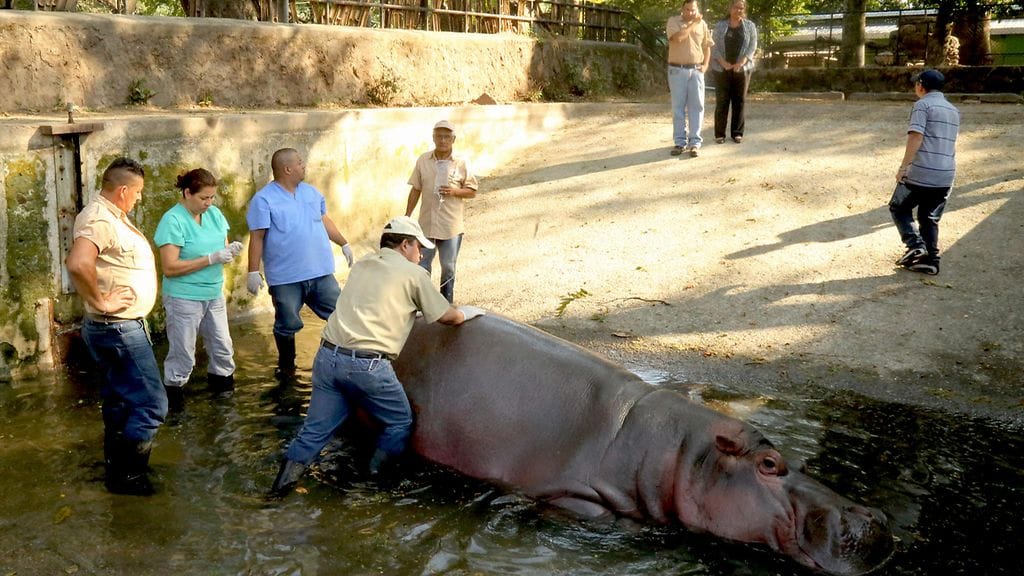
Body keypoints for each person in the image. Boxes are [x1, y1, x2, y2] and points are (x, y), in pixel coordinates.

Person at [270, 216, 484, 496]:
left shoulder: (362, 265)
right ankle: (372, 485)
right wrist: (469, 313)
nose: (421, 255)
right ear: (405, 245)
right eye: (419, 248)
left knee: (313, 433)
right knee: (399, 422)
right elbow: (447, 316)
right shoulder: (413, 274)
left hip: (326, 357)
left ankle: (276, 494)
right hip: (367, 366)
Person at [65, 157, 166, 495]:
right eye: (137, 192)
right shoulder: (99, 219)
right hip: (118, 327)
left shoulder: (111, 215)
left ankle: (114, 471)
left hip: (115, 327)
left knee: (120, 401)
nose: (139, 198)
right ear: (123, 190)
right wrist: (101, 301)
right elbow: (78, 263)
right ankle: (130, 478)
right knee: (152, 404)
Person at [245, 148, 355, 374]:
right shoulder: (264, 199)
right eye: (299, 162)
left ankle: (348, 362)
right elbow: (257, 236)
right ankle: (287, 367)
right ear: (287, 169)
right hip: (286, 277)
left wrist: (343, 243)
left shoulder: (311, 193)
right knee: (287, 324)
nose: (304, 165)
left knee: (343, 316)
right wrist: (253, 271)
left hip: (321, 273)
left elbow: (324, 219)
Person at [153, 168, 242, 411]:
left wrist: (228, 251)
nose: (209, 203)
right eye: (204, 198)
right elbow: (170, 268)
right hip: (184, 297)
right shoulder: (173, 220)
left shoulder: (214, 214)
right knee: (183, 355)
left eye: (212, 197)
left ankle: (223, 401)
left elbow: (220, 245)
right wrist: (211, 258)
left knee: (223, 347)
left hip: (213, 293)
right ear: (187, 193)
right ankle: (174, 404)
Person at [890, 69, 960, 275]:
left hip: (922, 172)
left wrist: (904, 167)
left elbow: (916, 137)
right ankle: (931, 260)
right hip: (946, 174)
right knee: (929, 217)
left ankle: (915, 245)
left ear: (921, 85)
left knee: (898, 207)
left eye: (915, 84)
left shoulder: (922, 105)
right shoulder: (953, 110)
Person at [404, 120, 479, 303]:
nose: (443, 140)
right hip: (426, 225)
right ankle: (424, 305)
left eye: (447, 137)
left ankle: (446, 305)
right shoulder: (423, 160)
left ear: (453, 139)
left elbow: (472, 191)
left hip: (450, 227)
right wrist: (407, 216)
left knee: (448, 267)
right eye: (439, 136)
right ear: (433, 138)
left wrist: (454, 192)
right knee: (421, 266)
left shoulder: (461, 163)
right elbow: (416, 189)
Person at [666, 0, 713, 158]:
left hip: (696, 70)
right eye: (687, 9)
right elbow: (678, 38)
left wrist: (705, 65)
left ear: (697, 9)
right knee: (678, 108)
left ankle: (695, 143)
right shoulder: (673, 21)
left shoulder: (703, 24)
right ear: (682, 9)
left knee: (697, 107)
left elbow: (707, 46)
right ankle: (679, 142)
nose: (690, 13)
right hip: (677, 70)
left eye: (693, 10)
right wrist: (693, 23)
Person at [711, 0, 757, 144]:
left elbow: (752, 46)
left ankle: (737, 133)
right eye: (736, 7)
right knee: (722, 101)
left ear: (744, 10)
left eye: (741, 8)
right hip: (721, 68)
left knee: (739, 101)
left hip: (742, 69)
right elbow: (713, 46)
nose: (738, 10)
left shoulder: (750, 26)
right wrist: (723, 63)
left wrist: (741, 62)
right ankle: (720, 134)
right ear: (730, 8)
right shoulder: (720, 26)